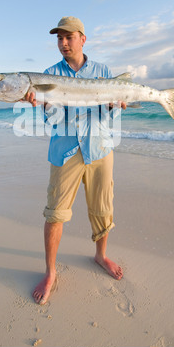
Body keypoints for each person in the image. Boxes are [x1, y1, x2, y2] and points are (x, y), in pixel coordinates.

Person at [24, 16, 126, 305]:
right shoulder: (48, 75)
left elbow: (111, 116)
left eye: (69, 37)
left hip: (100, 150)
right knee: (55, 212)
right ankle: (50, 272)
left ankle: (100, 255)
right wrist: (43, 105)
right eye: (59, 38)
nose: (63, 43)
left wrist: (113, 104)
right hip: (65, 152)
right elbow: (54, 120)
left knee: (103, 208)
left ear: (83, 39)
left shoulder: (103, 71)